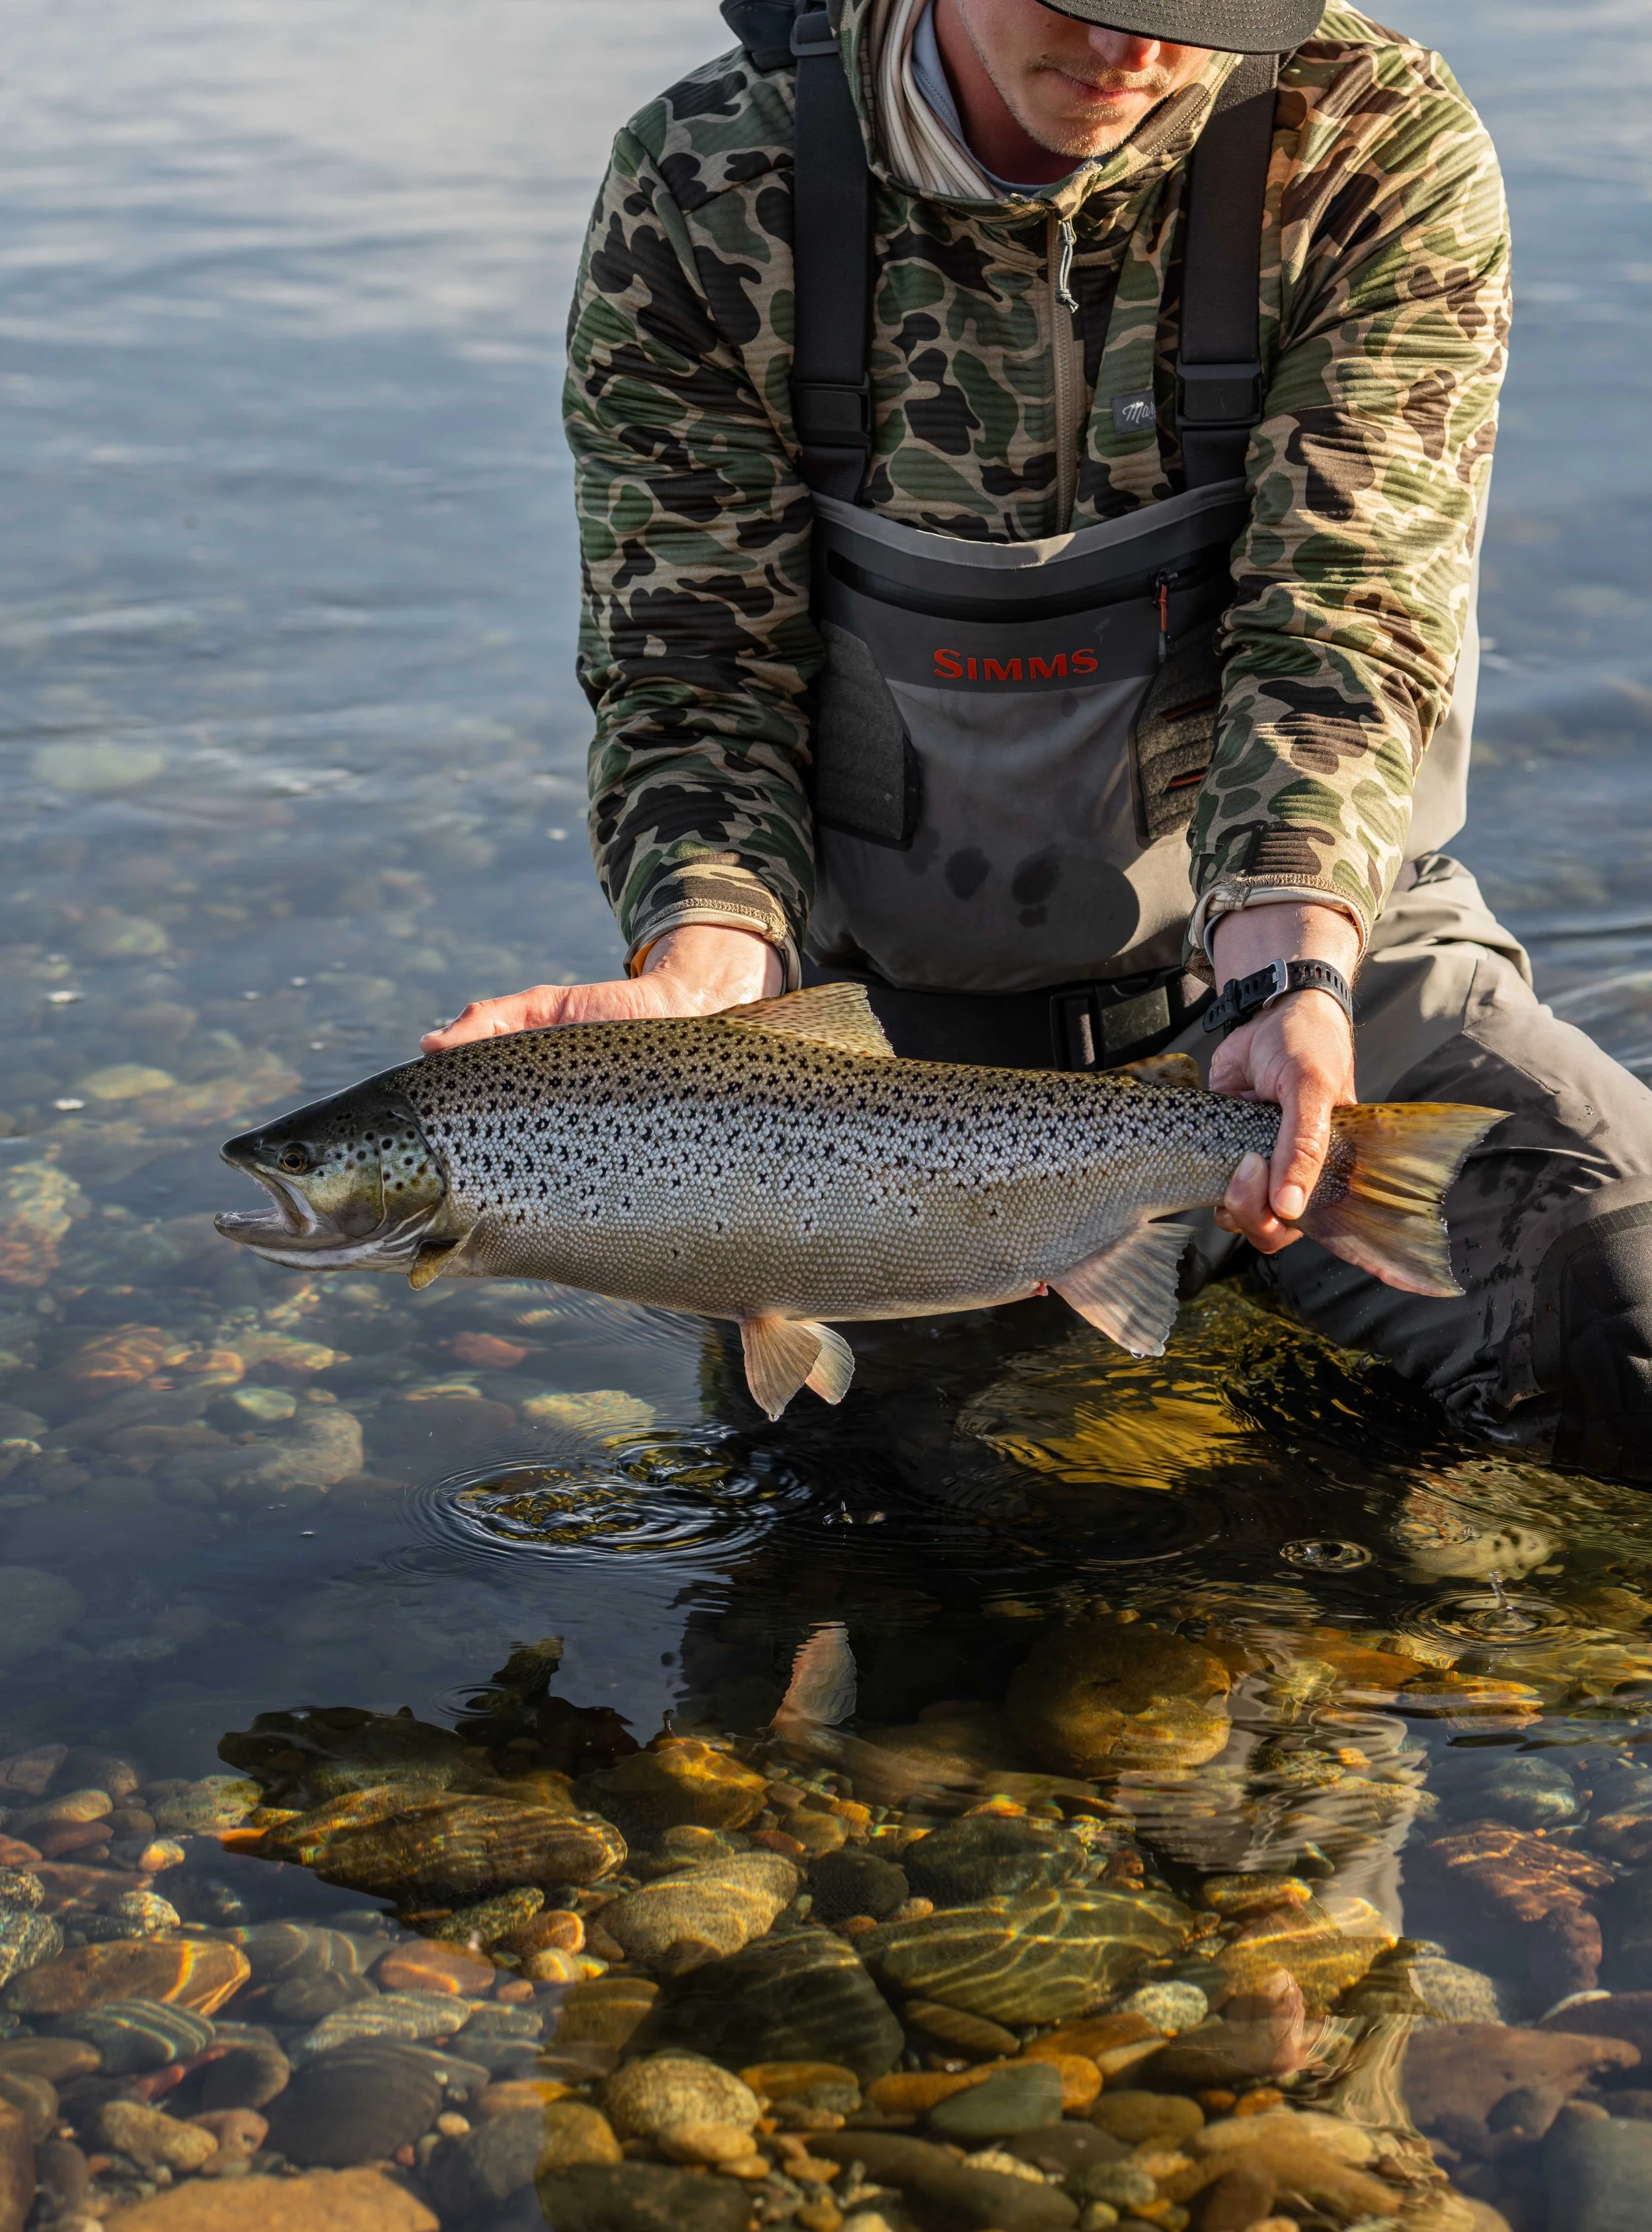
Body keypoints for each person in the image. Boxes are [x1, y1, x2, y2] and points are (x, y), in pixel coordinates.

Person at [426, 0, 1652, 1480]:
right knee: (928, 1582)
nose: (1136, 48)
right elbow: (691, 671)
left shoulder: (1363, 141)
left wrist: (1288, 967)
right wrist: (706, 959)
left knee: (1627, 1317)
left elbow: (1344, 617)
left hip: (1323, 970)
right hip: (870, 1084)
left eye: (1201, 8)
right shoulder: (705, 186)